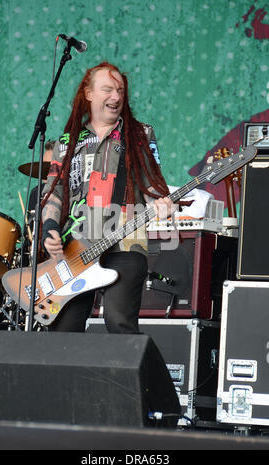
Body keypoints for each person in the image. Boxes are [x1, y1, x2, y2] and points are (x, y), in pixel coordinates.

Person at [41, 62, 175, 333]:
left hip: (124, 243)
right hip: (75, 248)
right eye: (108, 90)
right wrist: (50, 228)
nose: (116, 97)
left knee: (119, 321)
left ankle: (143, 376)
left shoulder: (140, 135)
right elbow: (54, 192)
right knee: (62, 330)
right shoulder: (66, 142)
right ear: (89, 94)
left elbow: (152, 185)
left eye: (120, 91)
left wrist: (161, 204)